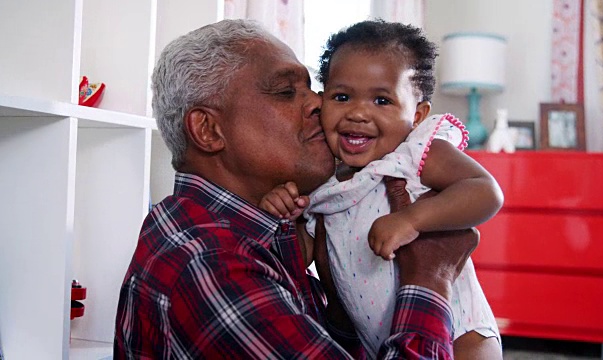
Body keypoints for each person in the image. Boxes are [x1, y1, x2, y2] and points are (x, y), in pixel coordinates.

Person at [114, 19, 479, 359]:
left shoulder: (243, 223)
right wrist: (430, 278)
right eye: (287, 92)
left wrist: (338, 301)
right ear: (209, 130)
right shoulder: (211, 265)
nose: (319, 104)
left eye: (313, 88)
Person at [260, 20, 504, 359]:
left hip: (460, 332)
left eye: (382, 100)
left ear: (417, 116)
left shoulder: (414, 153)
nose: (358, 112)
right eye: (342, 96)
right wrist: (290, 218)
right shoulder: (323, 181)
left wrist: (413, 219)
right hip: (385, 342)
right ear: (322, 101)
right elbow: (305, 258)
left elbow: (484, 191)